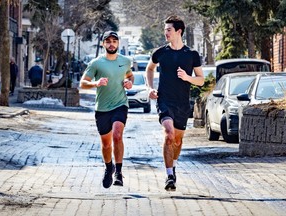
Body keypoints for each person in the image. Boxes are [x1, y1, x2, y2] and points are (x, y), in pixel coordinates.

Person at [146, 15, 204, 191]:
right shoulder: (160, 52)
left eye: (169, 30)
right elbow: (149, 68)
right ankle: (169, 175)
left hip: (182, 104)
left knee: (177, 141)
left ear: (179, 31)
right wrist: (149, 88)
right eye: (165, 30)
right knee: (169, 134)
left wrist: (187, 77)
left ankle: (174, 165)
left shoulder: (191, 55)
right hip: (165, 100)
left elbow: (201, 80)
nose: (166, 33)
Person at [80, 31, 134, 188]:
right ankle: (108, 167)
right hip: (102, 108)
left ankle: (118, 172)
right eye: (108, 41)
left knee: (117, 135)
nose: (111, 44)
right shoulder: (96, 63)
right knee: (106, 144)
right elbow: (83, 83)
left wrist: (129, 82)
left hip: (120, 104)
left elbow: (130, 76)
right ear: (103, 44)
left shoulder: (125, 61)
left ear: (118, 43)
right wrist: (95, 83)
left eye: (114, 41)